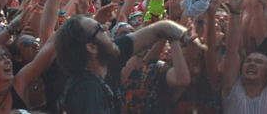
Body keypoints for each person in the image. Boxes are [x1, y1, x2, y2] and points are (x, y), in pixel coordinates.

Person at [55, 15, 204, 114]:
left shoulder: (109, 57)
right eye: (100, 29)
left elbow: (160, 28)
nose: (106, 29)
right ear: (91, 47)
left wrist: (185, 35)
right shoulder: (88, 90)